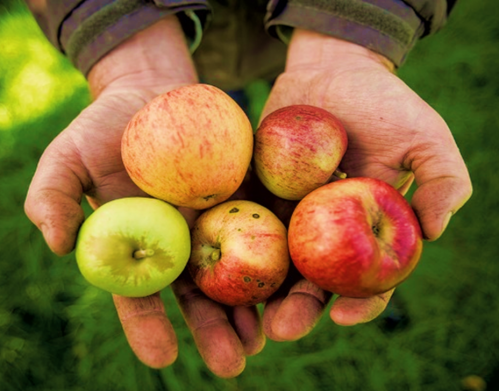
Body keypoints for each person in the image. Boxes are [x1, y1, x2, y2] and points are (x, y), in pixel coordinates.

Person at [23, 0, 472, 379]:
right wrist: (128, 51)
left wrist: (347, 36)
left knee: (250, 138)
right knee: (231, 115)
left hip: (297, 28)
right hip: (190, 45)